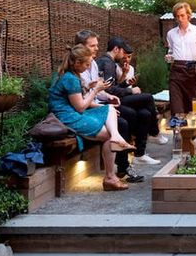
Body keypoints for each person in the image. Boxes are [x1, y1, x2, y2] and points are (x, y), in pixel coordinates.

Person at [48, 44, 135, 191]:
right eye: (87, 64)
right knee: (107, 135)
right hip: (66, 118)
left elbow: (80, 102)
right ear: (77, 63)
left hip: (73, 113)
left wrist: (92, 92)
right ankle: (110, 177)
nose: (89, 68)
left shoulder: (71, 75)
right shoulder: (70, 79)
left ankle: (116, 137)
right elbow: (81, 106)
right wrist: (95, 90)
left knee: (110, 109)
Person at [74, 30, 143, 183]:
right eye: (93, 46)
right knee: (124, 120)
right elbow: (82, 101)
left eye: (97, 45)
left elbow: (97, 90)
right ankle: (122, 167)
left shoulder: (92, 63)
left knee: (133, 113)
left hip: (95, 104)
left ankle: (125, 163)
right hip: (84, 110)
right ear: (81, 47)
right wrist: (102, 105)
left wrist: (108, 96)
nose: (97, 49)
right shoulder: (77, 69)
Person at [96, 37, 161, 165]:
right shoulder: (108, 63)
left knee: (145, 113)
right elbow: (110, 91)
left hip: (114, 98)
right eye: (122, 52)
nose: (124, 55)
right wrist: (131, 91)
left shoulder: (107, 62)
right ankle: (154, 132)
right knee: (148, 98)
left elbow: (112, 87)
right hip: (110, 101)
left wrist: (125, 83)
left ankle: (139, 154)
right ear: (116, 49)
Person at [164, 2, 196, 116]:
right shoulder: (171, 34)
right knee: (176, 105)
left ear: (188, 15)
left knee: (192, 105)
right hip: (176, 71)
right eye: (177, 16)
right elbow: (171, 51)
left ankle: (192, 132)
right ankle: (177, 131)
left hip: (191, 69)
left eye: (182, 15)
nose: (180, 18)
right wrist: (169, 57)